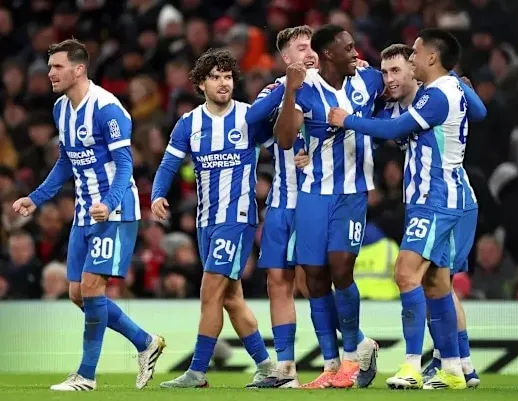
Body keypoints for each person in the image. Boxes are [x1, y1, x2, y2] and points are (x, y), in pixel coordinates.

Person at [296, 42, 484, 389]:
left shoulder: (433, 95)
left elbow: (473, 112)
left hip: (445, 199)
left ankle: (422, 364)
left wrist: (347, 118)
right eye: (383, 72)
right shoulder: (394, 108)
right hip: (428, 199)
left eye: (396, 70)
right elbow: (377, 129)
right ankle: (458, 366)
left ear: (416, 69)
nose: (389, 79)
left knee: (415, 275)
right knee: (436, 282)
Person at [12, 39, 164, 391]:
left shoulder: (107, 109)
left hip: (114, 210)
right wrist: (36, 198)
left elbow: (126, 165)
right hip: (85, 211)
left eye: (57, 67)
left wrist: (109, 203)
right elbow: (66, 162)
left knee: (94, 288)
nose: (50, 73)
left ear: (79, 69)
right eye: (50, 67)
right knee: (78, 293)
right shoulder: (61, 109)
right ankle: (146, 342)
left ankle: (86, 376)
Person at [245, 25, 378, 389]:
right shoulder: (281, 88)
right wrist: (287, 88)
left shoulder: (341, 82)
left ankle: (353, 347)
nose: (309, 54)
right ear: (286, 57)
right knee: (279, 281)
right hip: (283, 198)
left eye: (311, 47)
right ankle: (287, 368)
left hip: (318, 193)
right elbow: (255, 122)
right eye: (300, 48)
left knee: (314, 277)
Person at [151, 48, 274, 389]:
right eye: (216, 77)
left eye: (228, 77)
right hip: (206, 221)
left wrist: (301, 154)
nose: (223, 83)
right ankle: (267, 366)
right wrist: (158, 194)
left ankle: (197, 372)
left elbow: (282, 145)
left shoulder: (249, 117)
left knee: (210, 293)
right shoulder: (189, 123)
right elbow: (168, 164)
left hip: (237, 217)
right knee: (231, 297)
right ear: (201, 84)